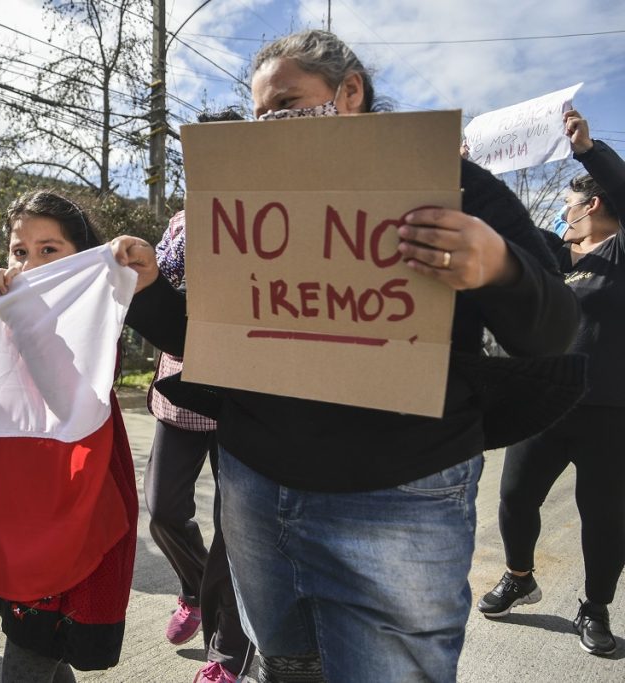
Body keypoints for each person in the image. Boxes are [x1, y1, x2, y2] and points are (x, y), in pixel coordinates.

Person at [112, 29, 580, 682]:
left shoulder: (453, 186)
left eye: (285, 102)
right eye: (258, 114)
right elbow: (217, 337)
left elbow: (554, 331)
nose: (268, 124)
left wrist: (499, 267)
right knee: (284, 666)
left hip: (399, 502)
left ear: (349, 92)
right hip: (253, 491)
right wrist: (148, 291)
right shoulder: (244, 203)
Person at [0, 190, 137, 682]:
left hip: (73, 500)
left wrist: (14, 315)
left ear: (83, 254)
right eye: (19, 252)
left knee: (31, 647)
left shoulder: (96, 319)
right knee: (35, 640)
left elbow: (64, 392)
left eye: (49, 250)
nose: (30, 266)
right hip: (17, 502)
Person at [477, 110, 625, 656]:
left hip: (609, 411)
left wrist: (588, 149)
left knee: (604, 517)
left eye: (569, 204)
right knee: (515, 499)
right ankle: (520, 576)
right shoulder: (555, 255)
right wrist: (466, 170)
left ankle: (596, 605)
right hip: (543, 402)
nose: (564, 212)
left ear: (593, 205)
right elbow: (502, 224)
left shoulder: (621, 252)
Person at [145, 191, 252, 682]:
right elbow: (159, 291)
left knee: (234, 530)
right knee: (163, 508)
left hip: (241, 399)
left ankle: (228, 654)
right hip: (181, 391)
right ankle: (193, 587)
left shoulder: (267, 224)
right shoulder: (178, 228)